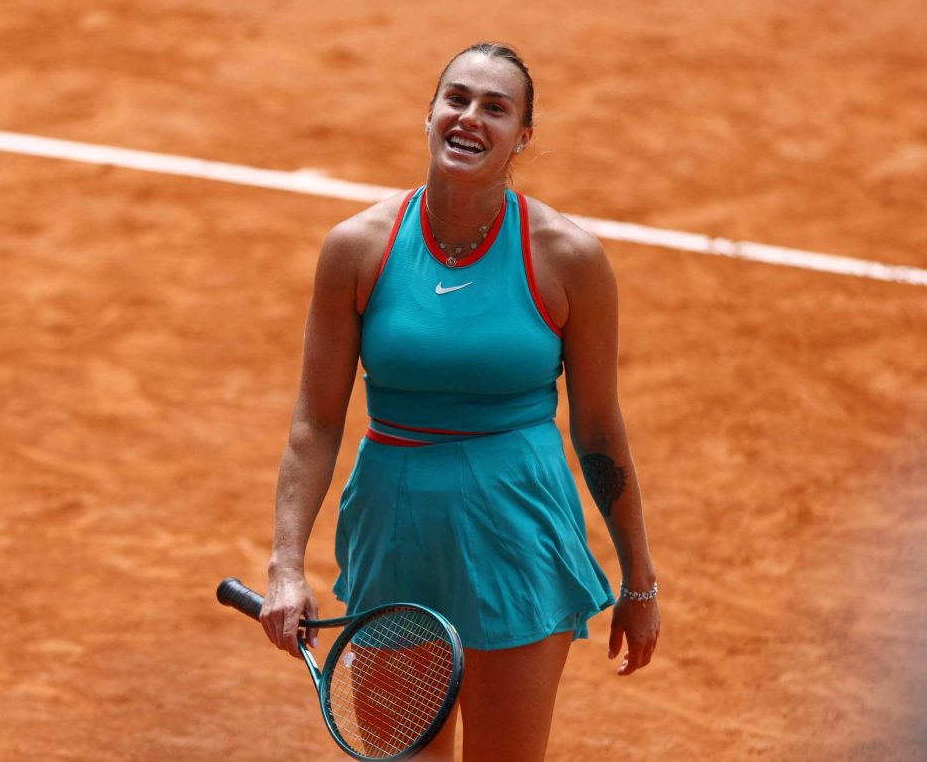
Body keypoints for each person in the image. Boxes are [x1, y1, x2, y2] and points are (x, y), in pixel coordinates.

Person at [259, 42, 660, 761]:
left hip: (518, 534)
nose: (471, 117)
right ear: (430, 115)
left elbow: (599, 429)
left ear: (522, 137)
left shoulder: (569, 257)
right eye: (458, 98)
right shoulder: (356, 248)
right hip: (394, 536)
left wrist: (640, 579)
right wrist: (286, 565)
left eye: (495, 108)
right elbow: (315, 422)